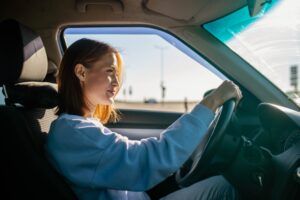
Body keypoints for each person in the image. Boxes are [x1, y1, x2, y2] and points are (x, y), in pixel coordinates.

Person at [45, 38, 242, 200]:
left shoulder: (79, 127)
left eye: (118, 74)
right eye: (110, 71)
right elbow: (144, 160)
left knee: (224, 184)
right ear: (81, 72)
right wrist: (212, 102)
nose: (116, 82)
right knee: (230, 188)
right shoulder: (73, 131)